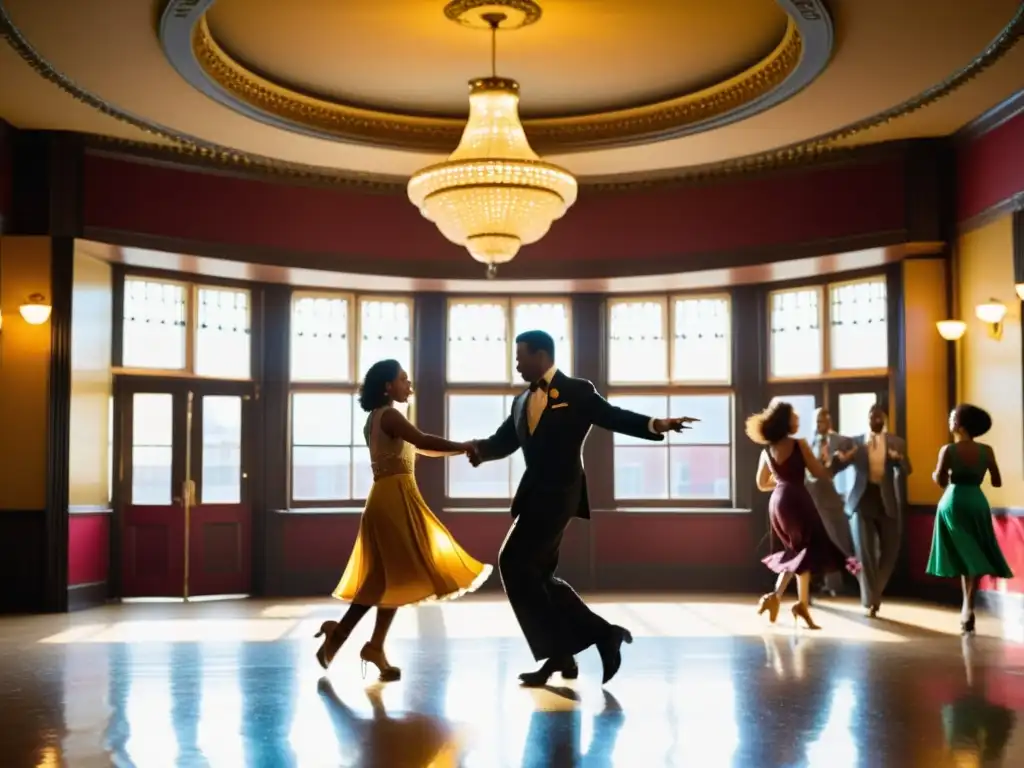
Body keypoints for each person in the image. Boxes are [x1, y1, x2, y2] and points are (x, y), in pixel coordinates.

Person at [466, 330, 698, 687]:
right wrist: (477, 451)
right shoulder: (519, 402)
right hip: (534, 496)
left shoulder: (576, 390)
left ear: (542, 355)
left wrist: (656, 424)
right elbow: (503, 441)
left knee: (513, 561)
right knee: (538, 577)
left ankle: (562, 652)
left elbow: (613, 416)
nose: (516, 363)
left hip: (560, 495)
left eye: (520, 356)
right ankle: (588, 644)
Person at [314, 359, 492, 679]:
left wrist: (458, 450)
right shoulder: (391, 416)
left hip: (387, 498)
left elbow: (423, 448)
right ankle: (351, 638)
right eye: (403, 379)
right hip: (393, 501)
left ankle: (365, 643)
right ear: (388, 387)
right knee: (393, 576)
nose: (409, 385)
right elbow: (423, 440)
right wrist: (464, 446)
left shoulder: (376, 419)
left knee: (389, 577)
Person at [748, 400, 858, 629]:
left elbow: (761, 483)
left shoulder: (767, 450)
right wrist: (837, 462)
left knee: (795, 552)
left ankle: (775, 598)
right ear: (786, 421)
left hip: (777, 502)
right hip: (796, 501)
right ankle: (800, 605)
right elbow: (819, 473)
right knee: (802, 553)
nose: (798, 420)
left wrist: (781, 485)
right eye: (794, 417)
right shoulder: (799, 444)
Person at [926, 404, 1013, 634]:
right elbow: (996, 481)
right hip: (977, 502)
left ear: (960, 425)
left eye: (952, 417)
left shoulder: (948, 450)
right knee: (972, 555)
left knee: (965, 555)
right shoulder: (987, 451)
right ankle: (968, 606)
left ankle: (966, 608)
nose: (949, 419)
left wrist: (937, 474)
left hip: (953, 502)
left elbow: (940, 480)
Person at [830, 404, 911, 618]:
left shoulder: (897, 442)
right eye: (871, 416)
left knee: (890, 551)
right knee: (864, 553)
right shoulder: (854, 442)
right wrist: (841, 459)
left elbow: (907, 470)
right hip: (861, 500)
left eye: (879, 416)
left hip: (886, 501)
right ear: (867, 419)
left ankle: (875, 592)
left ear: (884, 419)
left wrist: (898, 460)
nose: (875, 419)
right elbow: (834, 468)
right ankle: (870, 600)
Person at [807, 406, 856, 597]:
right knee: (820, 544)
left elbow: (849, 461)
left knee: (841, 543)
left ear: (830, 422)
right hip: (812, 499)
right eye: (818, 420)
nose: (820, 424)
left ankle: (859, 579)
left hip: (832, 500)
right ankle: (830, 584)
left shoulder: (841, 441)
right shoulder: (808, 442)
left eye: (824, 420)